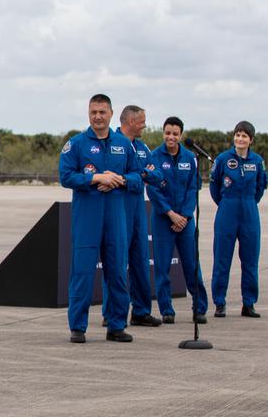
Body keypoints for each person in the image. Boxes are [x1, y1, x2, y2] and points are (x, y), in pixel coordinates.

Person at [59, 93, 142, 343]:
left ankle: (116, 325)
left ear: (111, 114)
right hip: (87, 219)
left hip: (116, 218)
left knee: (117, 271)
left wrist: (120, 180)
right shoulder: (76, 144)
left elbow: (138, 177)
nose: (98, 117)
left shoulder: (124, 144)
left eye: (102, 112)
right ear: (88, 113)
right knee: (82, 273)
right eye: (93, 112)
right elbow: (66, 176)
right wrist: (96, 179)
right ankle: (78, 327)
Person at [146, 116, 209, 323]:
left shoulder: (190, 158)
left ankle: (199, 308)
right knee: (162, 268)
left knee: (192, 265)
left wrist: (184, 215)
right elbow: (153, 189)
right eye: (167, 133)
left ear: (181, 135)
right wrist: (170, 213)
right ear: (163, 133)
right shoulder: (154, 156)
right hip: (163, 220)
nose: (170, 137)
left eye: (175, 134)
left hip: (186, 220)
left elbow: (193, 187)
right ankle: (167, 310)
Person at [105, 105, 163, 327]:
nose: (145, 125)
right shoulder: (112, 143)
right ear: (130, 121)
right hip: (119, 205)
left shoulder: (142, 147)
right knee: (117, 262)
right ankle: (111, 312)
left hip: (139, 206)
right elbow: (114, 175)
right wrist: (138, 174)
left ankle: (140, 311)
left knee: (140, 259)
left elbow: (157, 174)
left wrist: (142, 173)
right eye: (142, 122)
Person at [209, 121, 268, 318]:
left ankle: (249, 303)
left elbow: (261, 187)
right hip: (227, 208)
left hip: (249, 210)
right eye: (237, 135)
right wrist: (227, 203)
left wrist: (249, 202)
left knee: (251, 259)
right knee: (222, 259)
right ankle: (219, 302)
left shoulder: (257, 161)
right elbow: (214, 186)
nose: (240, 139)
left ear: (251, 140)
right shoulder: (223, 159)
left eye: (244, 136)